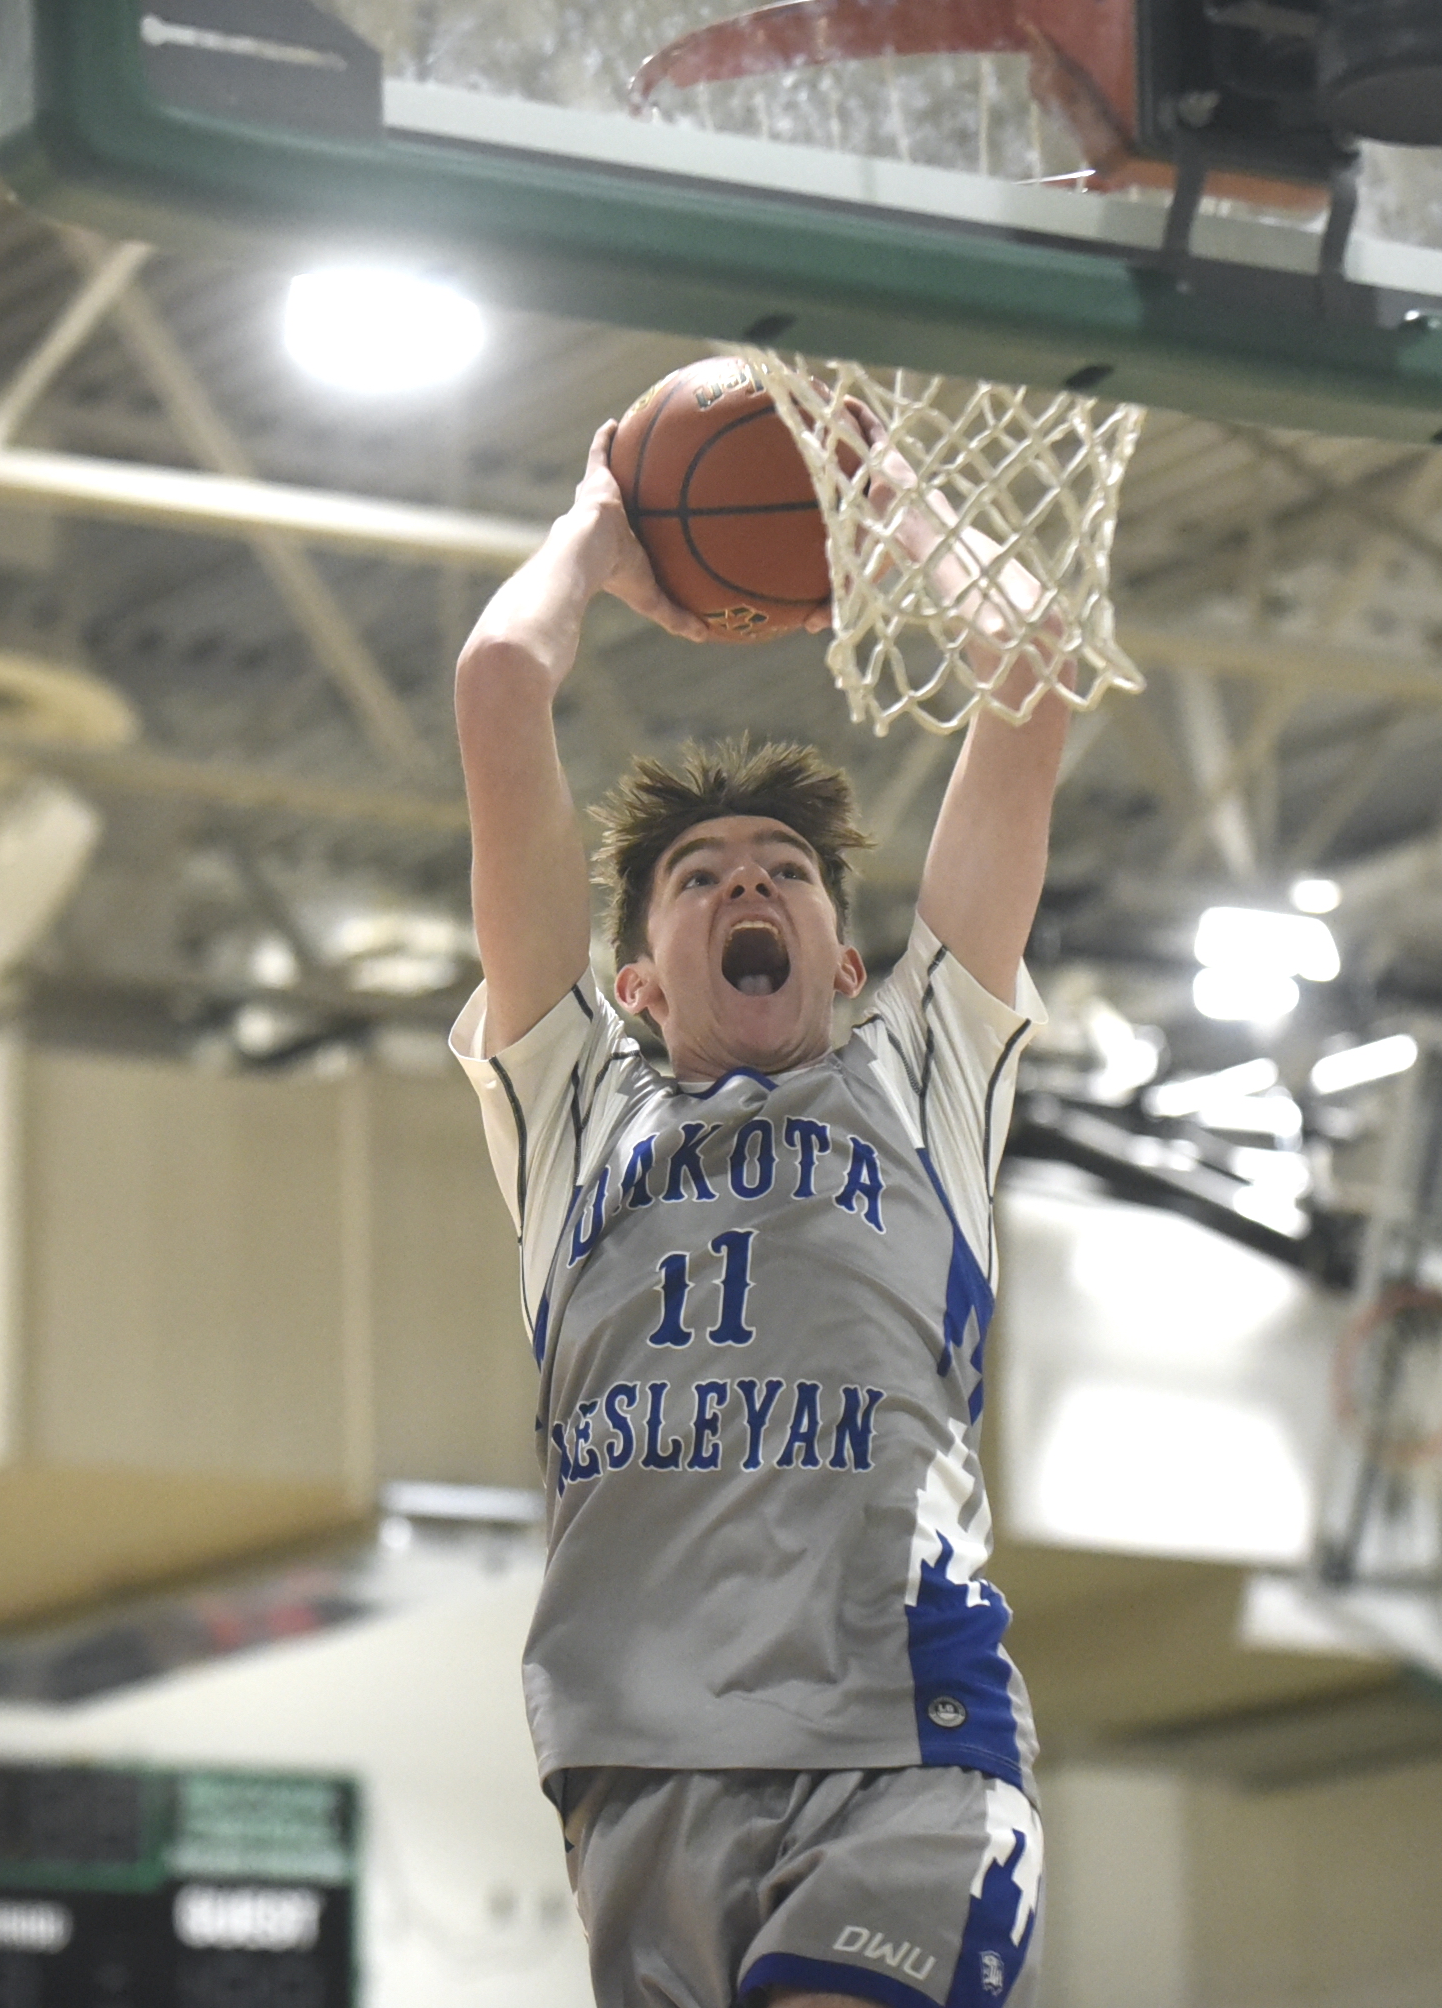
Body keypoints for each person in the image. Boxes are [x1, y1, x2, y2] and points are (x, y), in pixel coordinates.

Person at [448, 405, 1074, 2008]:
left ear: (845, 966)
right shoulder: (575, 1103)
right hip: (634, 1758)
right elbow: (499, 688)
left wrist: (897, 502)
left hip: (898, 1726)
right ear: (636, 982)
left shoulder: (919, 1072)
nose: (747, 883)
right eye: (703, 872)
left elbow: (1037, 672)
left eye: (786, 871)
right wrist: (601, 524)